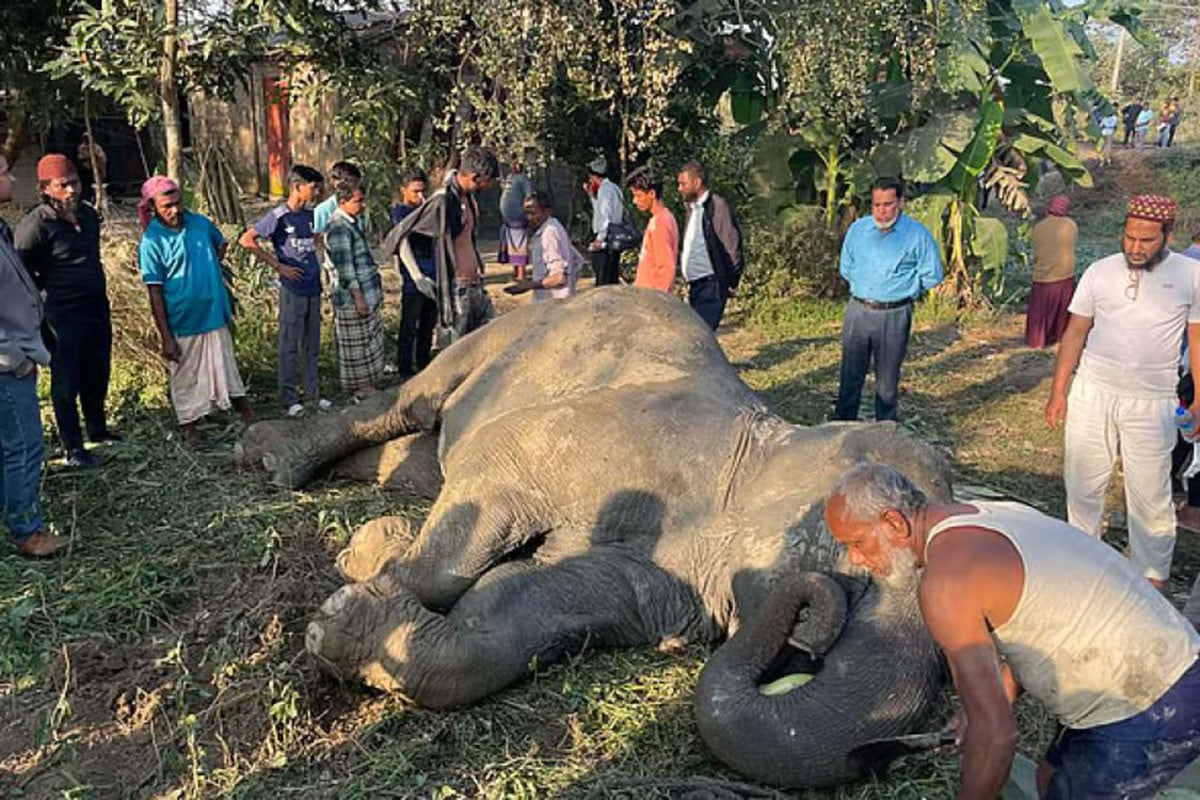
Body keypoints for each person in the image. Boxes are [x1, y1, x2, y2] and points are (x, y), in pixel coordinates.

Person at [824, 462, 1200, 800]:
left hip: (1152, 700)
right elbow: (1044, 617)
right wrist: (989, 703)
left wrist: (984, 731)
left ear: (894, 522)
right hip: (1165, 659)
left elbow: (997, 738)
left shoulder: (946, 583)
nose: (856, 559)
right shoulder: (990, 515)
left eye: (857, 542)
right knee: (1050, 779)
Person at [1046, 195, 1200, 588]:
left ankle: (1152, 579)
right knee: (1083, 484)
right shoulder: (1100, 271)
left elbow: (1197, 341)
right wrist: (1059, 390)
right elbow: (1075, 332)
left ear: (1167, 235)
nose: (1134, 247)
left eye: (1146, 240)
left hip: (1152, 403)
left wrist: (1199, 399)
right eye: (1129, 237)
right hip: (1093, 392)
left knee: (1149, 492)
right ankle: (1082, 565)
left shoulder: (1190, 276)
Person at [15, 154, 119, 469]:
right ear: (46, 188)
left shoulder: (87, 216)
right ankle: (73, 448)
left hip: (95, 308)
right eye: (63, 186)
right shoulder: (37, 224)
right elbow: (20, 271)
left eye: (74, 183)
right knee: (66, 381)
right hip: (62, 315)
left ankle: (98, 431)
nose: (72, 190)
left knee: (98, 371)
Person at [137, 176, 255, 446]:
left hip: (214, 312)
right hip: (182, 319)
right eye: (166, 206)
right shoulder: (152, 242)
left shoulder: (200, 224)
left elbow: (220, 245)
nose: (175, 210)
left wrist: (207, 272)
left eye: (177, 203)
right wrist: (165, 336)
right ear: (153, 207)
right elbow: (154, 292)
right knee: (186, 375)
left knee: (226, 365)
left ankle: (247, 415)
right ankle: (190, 426)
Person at [832, 176, 942, 422]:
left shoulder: (916, 235)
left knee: (887, 383)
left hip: (894, 314)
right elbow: (846, 267)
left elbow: (932, 274)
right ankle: (841, 427)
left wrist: (904, 290)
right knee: (850, 375)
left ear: (900, 202)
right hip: (858, 311)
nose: (882, 211)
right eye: (876, 205)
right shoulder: (858, 230)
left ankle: (886, 432)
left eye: (888, 204)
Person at [0, 157, 67, 557]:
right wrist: (15, 358)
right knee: (23, 446)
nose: (11, 177)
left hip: (17, 354)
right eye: (4, 173)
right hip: (8, 364)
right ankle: (28, 532)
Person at [382, 147, 499, 344]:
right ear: (474, 177)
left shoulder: (467, 198)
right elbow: (400, 233)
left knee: (485, 343)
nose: (488, 187)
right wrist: (417, 276)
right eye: (487, 181)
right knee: (455, 353)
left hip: (475, 285)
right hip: (456, 288)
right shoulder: (442, 200)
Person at [239, 164, 329, 418]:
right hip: (293, 289)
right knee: (289, 344)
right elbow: (247, 240)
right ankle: (288, 398)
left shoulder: (310, 216)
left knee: (312, 344)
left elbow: (311, 241)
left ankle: (313, 394)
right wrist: (279, 267)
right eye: (313, 187)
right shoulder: (278, 216)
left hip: (313, 286)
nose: (317, 191)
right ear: (298, 187)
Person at [326, 182, 385, 401]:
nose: (361, 205)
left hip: (366, 293)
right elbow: (346, 268)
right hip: (352, 298)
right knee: (356, 347)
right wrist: (358, 297)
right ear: (343, 202)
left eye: (362, 200)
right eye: (357, 201)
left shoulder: (352, 223)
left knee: (368, 342)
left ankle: (367, 385)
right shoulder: (339, 227)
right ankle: (359, 389)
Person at [676, 161, 744, 330]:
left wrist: (730, 281)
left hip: (710, 286)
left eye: (683, 184)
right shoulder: (692, 209)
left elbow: (731, 246)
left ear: (697, 183)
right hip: (694, 287)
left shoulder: (717, 206)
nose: (679, 188)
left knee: (700, 336)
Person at [391, 170, 437, 378]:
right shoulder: (401, 213)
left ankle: (423, 362)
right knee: (409, 324)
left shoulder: (428, 210)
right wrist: (416, 275)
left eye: (423, 191)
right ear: (403, 191)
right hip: (414, 277)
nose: (420, 196)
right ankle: (405, 368)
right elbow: (402, 244)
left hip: (433, 272)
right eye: (415, 192)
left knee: (428, 323)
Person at [505, 190, 582, 302]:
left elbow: (559, 278)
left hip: (552, 304)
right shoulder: (552, 227)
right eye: (527, 213)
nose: (529, 218)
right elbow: (577, 260)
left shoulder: (549, 233)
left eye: (533, 213)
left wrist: (528, 286)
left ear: (547, 211)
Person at [1025, 195, 1077, 349]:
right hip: (1064, 275)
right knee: (1062, 311)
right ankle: (1059, 335)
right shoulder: (1071, 225)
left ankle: (1037, 341)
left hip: (1042, 277)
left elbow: (1036, 251)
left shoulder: (1038, 228)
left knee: (1039, 313)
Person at [627, 165, 678, 293]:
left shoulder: (660, 223)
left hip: (651, 300)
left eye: (638, 195)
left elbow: (666, 268)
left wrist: (658, 304)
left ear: (652, 193)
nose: (634, 201)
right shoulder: (662, 219)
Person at [584, 157, 624, 287]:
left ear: (595, 177)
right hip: (613, 236)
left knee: (603, 280)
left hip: (607, 238)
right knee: (611, 277)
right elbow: (600, 210)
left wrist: (600, 238)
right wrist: (591, 196)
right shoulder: (614, 188)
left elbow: (605, 216)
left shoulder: (605, 190)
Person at [498, 156, 532, 280]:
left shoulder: (524, 179)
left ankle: (521, 274)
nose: (514, 165)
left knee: (520, 245)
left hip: (519, 217)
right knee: (512, 246)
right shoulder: (509, 178)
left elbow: (529, 197)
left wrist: (527, 212)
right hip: (508, 219)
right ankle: (515, 272)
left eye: (517, 163)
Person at [313, 160, 363, 237]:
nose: (353, 187)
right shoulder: (323, 211)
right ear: (335, 183)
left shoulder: (358, 206)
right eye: (348, 182)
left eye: (356, 183)